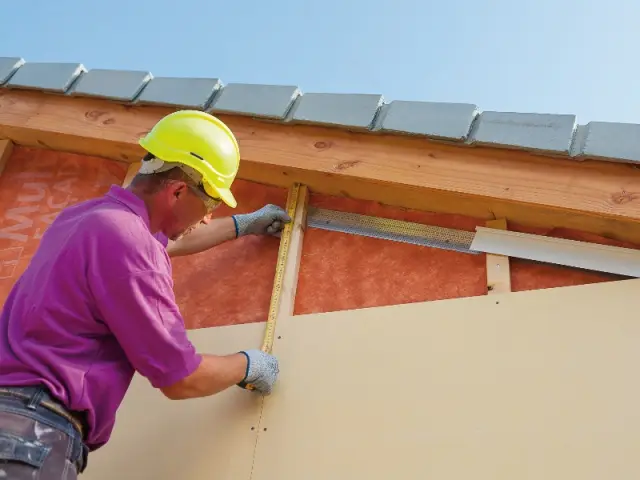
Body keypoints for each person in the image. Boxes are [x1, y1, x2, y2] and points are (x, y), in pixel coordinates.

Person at [0, 110, 289, 479]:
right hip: (31, 438)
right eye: (211, 204)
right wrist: (248, 364)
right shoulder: (132, 245)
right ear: (179, 190)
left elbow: (159, 243)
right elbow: (180, 377)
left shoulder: (86, 219)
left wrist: (242, 225)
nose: (206, 218)